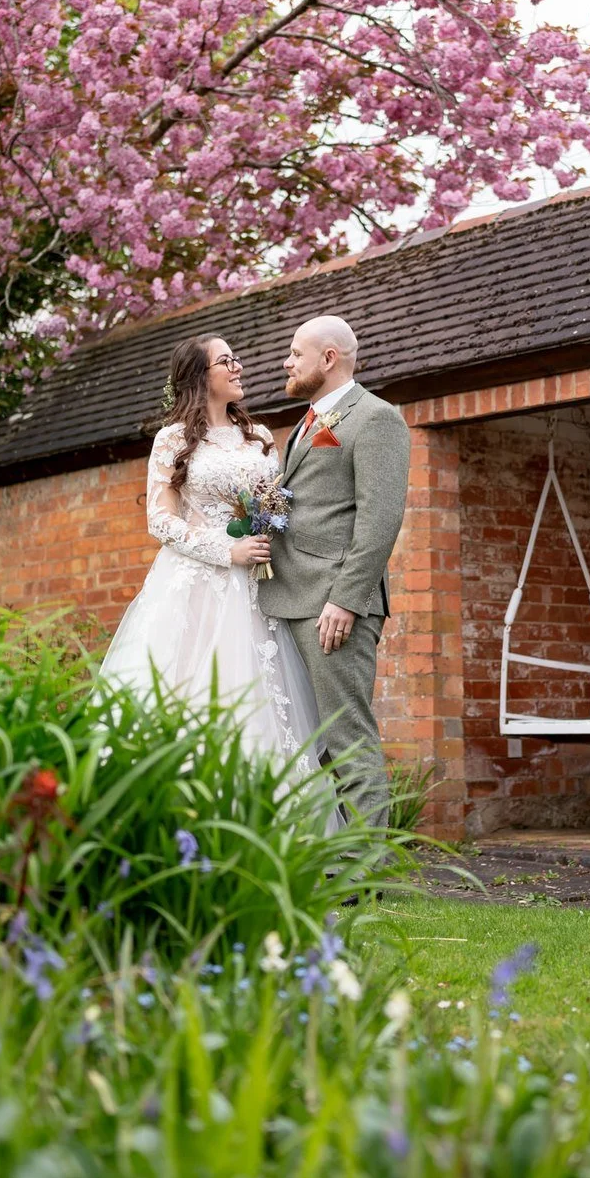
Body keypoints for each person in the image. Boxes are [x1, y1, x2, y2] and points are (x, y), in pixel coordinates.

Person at [99, 335, 323, 776]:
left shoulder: (257, 436)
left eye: (236, 358)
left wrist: (261, 541)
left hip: (262, 586)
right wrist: (227, 550)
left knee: (263, 695)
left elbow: (276, 504)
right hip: (196, 586)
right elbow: (159, 521)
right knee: (193, 690)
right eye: (226, 361)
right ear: (200, 377)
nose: (238, 367)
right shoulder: (172, 439)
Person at [256, 316, 410, 829]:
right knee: (315, 739)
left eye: (296, 353)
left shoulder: (375, 418)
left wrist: (345, 599)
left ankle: (367, 875)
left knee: (346, 735)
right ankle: (338, 858)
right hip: (290, 597)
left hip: (331, 604)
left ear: (328, 358)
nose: (287, 362)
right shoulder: (309, 422)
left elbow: (380, 519)